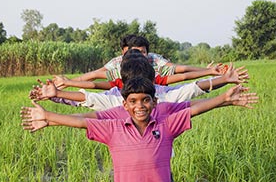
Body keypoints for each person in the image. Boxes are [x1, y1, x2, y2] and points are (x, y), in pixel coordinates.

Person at [21, 77, 258, 182]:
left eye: (145, 100)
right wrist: (47, 116)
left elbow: (194, 110)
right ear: (125, 105)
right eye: (133, 101)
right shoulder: (113, 128)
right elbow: (83, 121)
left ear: (154, 102)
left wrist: (224, 98)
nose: (139, 106)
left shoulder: (166, 125)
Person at [29, 52, 249, 111]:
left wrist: (222, 80)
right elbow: (87, 97)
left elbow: (191, 88)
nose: (139, 106)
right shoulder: (118, 100)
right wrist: (56, 95)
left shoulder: (161, 95)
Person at [53, 35, 218, 89]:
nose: (139, 57)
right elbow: (95, 79)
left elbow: (179, 71)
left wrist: (207, 70)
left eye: (142, 53)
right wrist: (68, 82)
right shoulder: (117, 69)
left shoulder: (154, 70)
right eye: (134, 53)